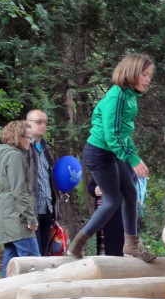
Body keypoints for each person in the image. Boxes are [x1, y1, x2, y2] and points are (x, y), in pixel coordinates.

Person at [66, 53, 156, 262]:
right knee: (112, 200)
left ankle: (132, 245)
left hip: (111, 152)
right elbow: (112, 134)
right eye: (144, 74)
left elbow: (123, 134)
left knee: (130, 193)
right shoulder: (116, 96)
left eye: (149, 75)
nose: (148, 79)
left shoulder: (129, 96)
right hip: (99, 152)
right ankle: (77, 244)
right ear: (131, 72)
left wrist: (134, 156)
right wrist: (132, 160)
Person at [0, 120, 40, 277]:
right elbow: (19, 192)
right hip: (15, 217)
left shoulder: (4, 155)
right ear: (18, 137)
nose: (31, 141)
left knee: (10, 262)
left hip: (6, 215)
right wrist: (31, 218)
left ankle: (3, 295)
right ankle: (39, 298)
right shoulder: (14, 156)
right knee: (33, 263)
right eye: (29, 137)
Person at [25, 109, 56, 256]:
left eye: (45, 123)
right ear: (28, 123)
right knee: (33, 256)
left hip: (47, 208)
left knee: (44, 254)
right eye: (38, 122)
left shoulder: (46, 149)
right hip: (31, 210)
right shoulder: (23, 148)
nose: (42, 126)